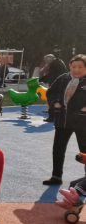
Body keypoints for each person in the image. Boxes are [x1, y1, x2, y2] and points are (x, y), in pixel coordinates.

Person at [43, 54, 86, 185]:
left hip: (82, 121)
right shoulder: (63, 78)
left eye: (80, 67)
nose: (76, 69)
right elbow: (50, 92)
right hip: (63, 120)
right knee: (58, 149)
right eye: (74, 66)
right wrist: (55, 103)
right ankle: (56, 176)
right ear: (69, 66)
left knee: (85, 151)